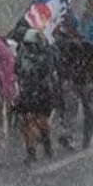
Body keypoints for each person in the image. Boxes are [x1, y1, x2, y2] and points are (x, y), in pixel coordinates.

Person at [53, 20, 93, 151]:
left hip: (82, 84)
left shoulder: (83, 48)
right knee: (82, 111)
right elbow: (62, 66)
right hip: (80, 84)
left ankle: (74, 137)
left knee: (77, 111)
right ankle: (78, 138)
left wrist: (92, 80)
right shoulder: (85, 48)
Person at [15, 29, 58, 160]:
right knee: (26, 122)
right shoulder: (23, 54)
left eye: (31, 44)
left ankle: (46, 143)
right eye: (27, 44)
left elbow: (47, 70)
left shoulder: (47, 54)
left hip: (42, 92)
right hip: (27, 91)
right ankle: (31, 151)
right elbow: (17, 69)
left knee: (41, 120)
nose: (29, 47)